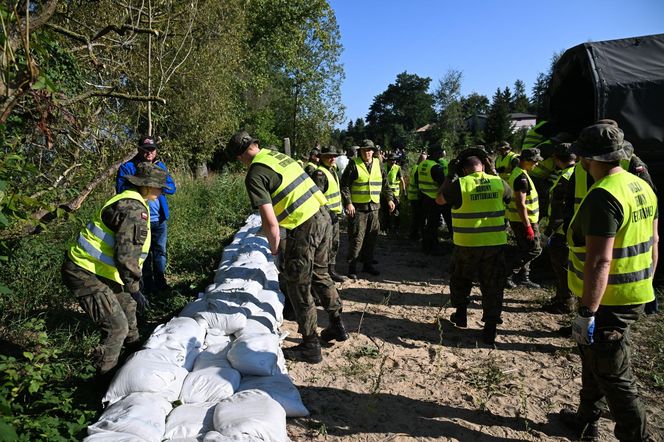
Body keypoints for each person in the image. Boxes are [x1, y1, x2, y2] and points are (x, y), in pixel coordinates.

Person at [559, 121, 658, 441]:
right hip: (631, 291)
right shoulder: (640, 185)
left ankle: (636, 436)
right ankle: (586, 421)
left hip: (608, 300)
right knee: (593, 360)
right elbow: (654, 239)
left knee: (615, 376)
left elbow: (600, 260)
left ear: (588, 159)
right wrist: (649, 283)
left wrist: (587, 311)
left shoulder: (603, 196)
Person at [225, 131, 347, 364]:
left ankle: (310, 345)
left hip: (303, 224)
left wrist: (275, 251)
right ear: (255, 144)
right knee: (320, 272)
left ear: (240, 155)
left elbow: (270, 222)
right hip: (322, 216)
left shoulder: (255, 174)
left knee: (297, 282)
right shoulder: (278, 157)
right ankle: (336, 324)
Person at [62, 163, 170, 376]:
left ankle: (133, 355)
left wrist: (131, 290)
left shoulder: (131, 200)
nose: (161, 192)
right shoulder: (134, 210)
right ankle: (104, 377)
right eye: (159, 187)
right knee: (117, 326)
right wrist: (134, 286)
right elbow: (126, 255)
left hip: (101, 270)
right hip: (83, 271)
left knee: (128, 307)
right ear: (146, 186)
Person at [439, 155, 512, 344]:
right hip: (494, 244)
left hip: (467, 243)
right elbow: (509, 197)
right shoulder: (499, 182)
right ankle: (490, 327)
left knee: (461, 279)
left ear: (463, 170)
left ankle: (461, 314)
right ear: (484, 166)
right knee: (493, 285)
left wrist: (449, 176)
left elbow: (439, 199)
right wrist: (493, 172)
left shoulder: (460, 184)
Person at [116, 135, 176, 297]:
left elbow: (172, 188)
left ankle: (161, 281)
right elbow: (121, 191)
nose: (149, 153)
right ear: (139, 150)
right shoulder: (127, 167)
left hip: (159, 218)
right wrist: (141, 181)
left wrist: (157, 186)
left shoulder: (160, 166)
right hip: (140, 219)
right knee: (144, 254)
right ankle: (147, 286)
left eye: (152, 149)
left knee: (160, 251)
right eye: (146, 150)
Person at [340, 139, 394, 278]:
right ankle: (352, 267)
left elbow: (385, 183)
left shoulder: (378, 163)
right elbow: (344, 185)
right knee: (357, 238)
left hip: (374, 207)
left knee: (372, 237)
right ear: (360, 152)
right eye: (365, 150)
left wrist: (389, 199)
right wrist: (348, 203)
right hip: (358, 208)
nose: (368, 153)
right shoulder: (354, 164)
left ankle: (367, 265)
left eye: (370, 150)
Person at [542, 143, 576, 314]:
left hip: (562, 231)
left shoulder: (566, 177)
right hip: (572, 229)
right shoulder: (578, 173)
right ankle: (562, 297)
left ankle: (566, 301)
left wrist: (548, 231)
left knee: (561, 267)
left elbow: (558, 208)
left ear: (557, 158)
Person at [505, 148, 543, 288]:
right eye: (535, 161)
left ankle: (524, 278)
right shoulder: (521, 178)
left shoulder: (520, 173)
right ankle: (507, 274)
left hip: (520, 219)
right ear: (525, 161)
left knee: (524, 248)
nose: (536, 164)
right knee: (534, 249)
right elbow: (520, 204)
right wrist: (528, 227)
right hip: (524, 221)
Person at [309, 145, 348, 283]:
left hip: (334, 215)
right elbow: (317, 197)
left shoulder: (332, 171)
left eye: (334, 156)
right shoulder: (319, 174)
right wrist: (327, 213)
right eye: (328, 156)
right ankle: (323, 273)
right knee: (325, 246)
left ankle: (331, 270)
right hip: (325, 217)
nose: (332, 158)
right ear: (321, 157)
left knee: (334, 244)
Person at [417, 145, 448, 253]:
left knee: (426, 224)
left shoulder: (421, 165)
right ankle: (434, 248)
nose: (441, 155)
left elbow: (417, 180)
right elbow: (443, 184)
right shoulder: (436, 167)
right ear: (435, 153)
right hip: (434, 199)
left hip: (423, 197)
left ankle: (425, 247)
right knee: (433, 225)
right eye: (440, 153)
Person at [382, 153, 404, 234]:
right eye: (392, 160)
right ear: (388, 160)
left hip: (395, 194)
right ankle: (385, 228)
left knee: (396, 211)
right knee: (385, 211)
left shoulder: (397, 168)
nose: (393, 161)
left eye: (395, 160)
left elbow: (401, 180)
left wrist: (404, 190)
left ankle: (396, 228)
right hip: (384, 193)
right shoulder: (382, 166)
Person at [407, 153, 427, 241]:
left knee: (415, 217)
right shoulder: (419, 169)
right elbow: (418, 183)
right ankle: (415, 235)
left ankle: (413, 234)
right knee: (418, 217)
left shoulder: (415, 166)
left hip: (412, 195)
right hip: (416, 196)